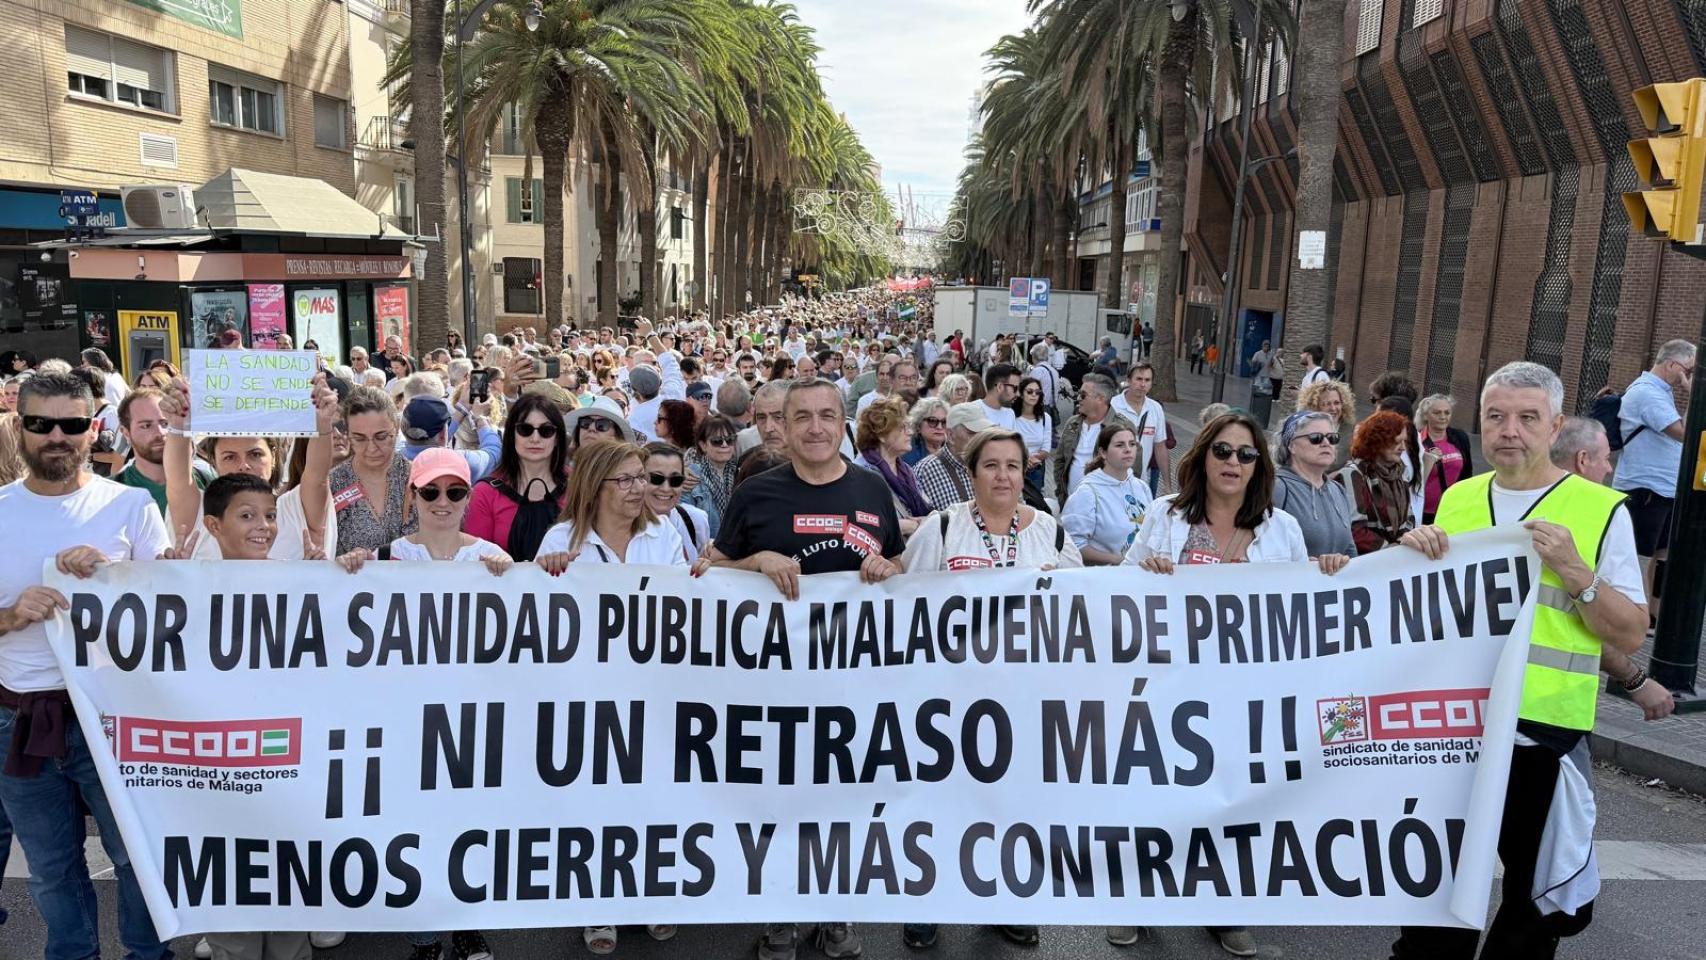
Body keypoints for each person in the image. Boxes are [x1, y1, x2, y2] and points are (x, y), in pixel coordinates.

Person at [1392, 362, 1650, 959]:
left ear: (1554, 425)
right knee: (1439, 884)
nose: (1510, 430)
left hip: (1545, 735)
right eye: (1496, 416)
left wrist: (1578, 573)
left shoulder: (1602, 509)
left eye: (1528, 418)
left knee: (1533, 902)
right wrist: (1410, 552)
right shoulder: (1457, 499)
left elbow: (1631, 632)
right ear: (1479, 422)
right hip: (1453, 729)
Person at [1117, 411, 1339, 959]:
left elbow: (1299, 607)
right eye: (1222, 451)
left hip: (1246, 693)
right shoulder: (1164, 515)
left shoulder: (1281, 530)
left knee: (1236, 802)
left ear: (1259, 466)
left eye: (1245, 454)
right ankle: (1135, 901)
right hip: (1170, 686)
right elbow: (1116, 589)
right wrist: (1143, 575)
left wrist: (1329, 570)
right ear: (1202, 457)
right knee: (1159, 795)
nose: (1233, 463)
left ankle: (1226, 904)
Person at [706, 378, 905, 960]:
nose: (815, 428)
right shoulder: (756, 494)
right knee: (777, 803)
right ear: (782, 427)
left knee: (842, 802)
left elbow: (894, 558)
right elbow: (712, 570)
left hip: (853, 683)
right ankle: (779, 916)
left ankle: (835, 912)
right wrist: (756, 559)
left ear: (843, 423)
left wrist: (885, 566)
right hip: (774, 684)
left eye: (826, 416)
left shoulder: (871, 489)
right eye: (802, 418)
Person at [0, 372, 173, 960]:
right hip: (19, 718)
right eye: (42, 424)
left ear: (92, 429)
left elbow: (174, 617)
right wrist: (10, 614)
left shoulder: (129, 504)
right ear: (19, 428)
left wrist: (112, 578)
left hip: (115, 718)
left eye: (72, 425)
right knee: (51, 868)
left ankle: (147, 955)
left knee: (137, 856)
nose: (57, 436)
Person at [896, 427, 1079, 952]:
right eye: (991, 465)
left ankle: (1006, 900)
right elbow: (908, 602)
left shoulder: (1050, 531)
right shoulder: (944, 527)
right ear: (971, 473)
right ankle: (925, 901)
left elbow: (1081, 613)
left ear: (1026, 473)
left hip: (1024, 700)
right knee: (939, 802)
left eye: (1013, 466)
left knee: (1012, 805)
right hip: (948, 697)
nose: (1003, 476)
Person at [334, 449, 504, 960]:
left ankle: (468, 926)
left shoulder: (491, 559)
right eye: (430, 491)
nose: (442, 501)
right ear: (413, 496)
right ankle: (425, 936)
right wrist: (348, 568)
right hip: (407, 724)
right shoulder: (387, 560)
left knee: (468, 827)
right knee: (412, 829)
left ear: (468, 497)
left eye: (454, 491)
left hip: (470, 723)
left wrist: (513, 573)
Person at [1550, 416, 1676, 721]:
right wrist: (1635, 679)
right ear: (1582, 460)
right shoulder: (1602, 512)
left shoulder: (1502, 499)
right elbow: (1624, 632)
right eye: (1606, 458)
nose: (1610, 468)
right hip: (1559, 706)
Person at [159, 376, 338, 561]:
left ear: (274, 458)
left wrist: (322, 422)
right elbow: (178, 479)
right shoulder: (199, 511)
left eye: (255, 454)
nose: (243, 465)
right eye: (230, 457)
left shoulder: (295, 508)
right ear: (214, 462)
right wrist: (178, 425)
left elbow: (317, 478)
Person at [1613, 339, 1695, 619]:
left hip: (1665, 488)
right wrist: (1695, 394)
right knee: (1637, 555)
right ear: (1672, 364)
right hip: (1644, 488)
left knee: (1662, 555)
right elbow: (1686, 432)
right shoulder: (1648, 393)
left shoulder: (1661, 392)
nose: (1690, 376)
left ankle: (1653, 616)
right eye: (1689, 369)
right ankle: (1627, 614)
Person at [463, 392, 570, 561]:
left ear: (557, 438)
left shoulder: (579, 485)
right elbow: (474, 559)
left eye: (546, 431)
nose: (535, 439)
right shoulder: (485, 492)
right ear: (512, 434)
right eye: (524, 429)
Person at [329, 385, 417, 555]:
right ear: (347, 433)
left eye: (381, 437)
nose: (371, 448)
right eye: (359, 438)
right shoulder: (333, 484)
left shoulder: (419, 478)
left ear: (397, 427)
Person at [1061, 418, 1152, 565]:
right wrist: (1117, 560)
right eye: (1119, 445)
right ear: (1103, 452)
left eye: (1132, 444)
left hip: (1138, 577)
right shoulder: (1087, 492)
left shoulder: (1142, 487)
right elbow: (1072, 545)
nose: (1128, 449)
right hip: (1103, 579)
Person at [113, 386, 215, 514]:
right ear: (126, 432)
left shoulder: (206, 479)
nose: (160, 432)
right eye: (146, 426)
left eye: (165, 423)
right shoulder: (112, 492)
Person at [1272, 411, 1357, 561]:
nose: (1326, 443)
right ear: (1291, 445)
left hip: (1334, 584)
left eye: (1332, 438)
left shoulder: (1338, 490)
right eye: (1315, 438)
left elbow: (1349, 549)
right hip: (1292, 582)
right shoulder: (1277, 487)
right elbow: (1260, 546)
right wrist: (1302, 563)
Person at [1338, 410, 1417, 554]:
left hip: (1397, 558)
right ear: (1378, 441)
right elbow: (1355, 530)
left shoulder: (1400, 472)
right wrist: (1390, 549)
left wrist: (1404, 542)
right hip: (1367, 563)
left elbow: (1409, 517)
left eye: (1404, 441)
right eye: (1397, 442)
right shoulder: (1353, 474)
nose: (1403, 448)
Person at [853, 396, 929, 535]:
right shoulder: (860, 473)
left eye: (909, 427)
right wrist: (900, 526)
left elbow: (925, 510)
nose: (910, 433)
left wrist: (925, 522)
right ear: (881, 434)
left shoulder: (906, 470)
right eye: (902, 428)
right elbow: (859, 525)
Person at [401, 393, 501, 481]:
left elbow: (431, 442)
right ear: (442, 435)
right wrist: (479, 418)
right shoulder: (459, 461)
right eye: (447, 423)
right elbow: (494, 454)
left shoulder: (394, 460)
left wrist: (463, 409)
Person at [1055, 373, 1122, 499]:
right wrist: (1061, 492)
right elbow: (1060, 460)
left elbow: (1131, 469)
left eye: (1083, 395)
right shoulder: (1072, 423)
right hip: (1070, 503)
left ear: (1100, 398)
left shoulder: (1121, 428)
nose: (1078, 398)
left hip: (1103, 507)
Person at [915, 402, 993, 510]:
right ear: (951, 436)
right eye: (972, 433)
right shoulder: (926, 470)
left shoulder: (993, 464)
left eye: (983, 433)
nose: (980, 439)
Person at [643, 442, 712, 562]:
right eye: (656, 479)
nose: (666, 488)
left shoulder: (695, 519)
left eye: (675, 480)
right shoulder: (623, 527)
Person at [1109, 362, 1171, 494]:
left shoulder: (1155, 408)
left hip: (1140, 483)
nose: (1143, 384)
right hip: (1111, 481)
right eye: (1138, 379)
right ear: (1128, 381)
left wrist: (1167, 485)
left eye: (1147, 380)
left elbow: (1160, 447)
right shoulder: (1113, 405)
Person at [1417, 393, 1473, 524]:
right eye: (1437, 413)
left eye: (1447, 413)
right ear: (1426, 415)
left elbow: (1467, 474)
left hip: (1452, 509)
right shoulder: (1417, 441)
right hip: (1424, 513)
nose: (1443, 417)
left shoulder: (1460, 437)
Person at [684, 415, 738, 536]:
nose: (724, 445)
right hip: (704, 548)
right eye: (717, 441)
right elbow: (685, 521)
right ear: (703, 445)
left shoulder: (740, 472)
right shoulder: (691, 476)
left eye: (730, 440)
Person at [1297, 378, 1357, 469]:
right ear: (1315, 407)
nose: (1333, 408)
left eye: (1337, 403)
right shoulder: (1306, 432)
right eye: (1327, 404)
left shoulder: (1351, 430)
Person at [1013, 376, 1054, 492]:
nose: (1034, 395)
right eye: (1029, 392)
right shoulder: (1011, 415)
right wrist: (1024, 459)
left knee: (1033, 505)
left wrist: (1031, 460)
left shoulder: (1046, 418)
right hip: (1014, 467)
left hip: (1035, 469)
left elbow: (1046, 449)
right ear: (1021, 393)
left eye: (1038, 392)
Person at [904, 396, 949, 467]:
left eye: (944, 422)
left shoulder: (954, 450)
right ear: (918, 425)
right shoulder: (907, 452)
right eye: (932, 421)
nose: (939, 427)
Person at [979, 362, 1020, 429]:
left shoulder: (1010, 414)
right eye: (1015, 388)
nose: (1018, 394)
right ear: (1000, 387)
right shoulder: (972, 411)